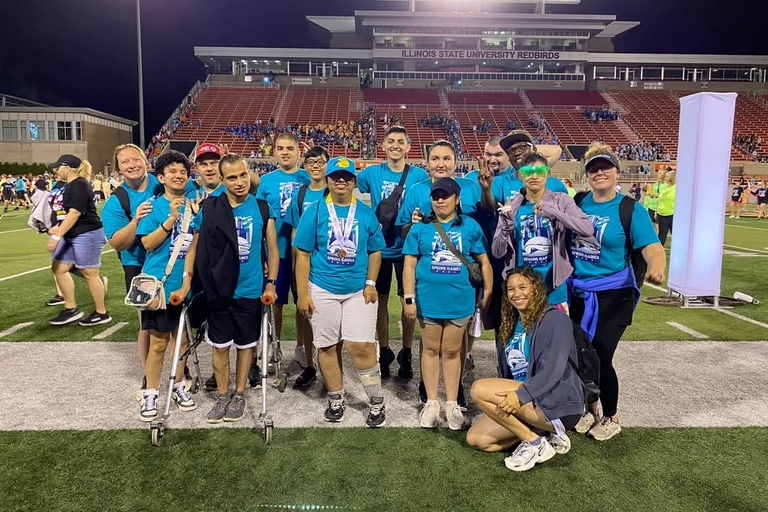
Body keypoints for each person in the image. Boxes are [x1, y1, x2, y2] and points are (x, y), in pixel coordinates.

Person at [568, 143, 666, 441]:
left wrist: (657, 266)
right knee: (579, 354)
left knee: (600, 355)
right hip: (578, 292)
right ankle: (589, 407)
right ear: (586, 175)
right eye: (593, 168)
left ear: (616, 172)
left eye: (605, 167)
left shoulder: (629, 208)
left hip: (613, 293)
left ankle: (611, 415)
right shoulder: (579, 201)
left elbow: (652, 246)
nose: (599, 173)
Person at [182, 154, 279, 423]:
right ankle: (223, 396)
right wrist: (187, 280)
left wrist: (270, 283)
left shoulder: (261, 208)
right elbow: (194, 247)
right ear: (222, 180)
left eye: (243, 175)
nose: (239, 182)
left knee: (246, 346)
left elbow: (272, 250)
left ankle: (239, 393)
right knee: (220, 346)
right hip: (218, 290)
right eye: (232, 177)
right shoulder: (209, 208)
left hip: (250, 290)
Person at [293, 156, 387, 427]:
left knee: (361, 346)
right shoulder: (315, 210)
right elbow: (303, 255)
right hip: (322, 288)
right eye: (336, 177)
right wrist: (302, 294)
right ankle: (336, 397)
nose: (341, 181)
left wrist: (371, 283)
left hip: (358, 289)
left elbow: (375, 250)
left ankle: (376, 399)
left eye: (347, 177)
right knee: (326, 345)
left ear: (355, 182)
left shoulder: (366, 213)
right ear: (328, 180)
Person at [466, 268, 585, 472]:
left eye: (523, 287)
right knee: (477, 439)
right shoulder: (511, 324)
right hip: (528, 401)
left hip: (557, 402)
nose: (516, 293)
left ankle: (534, 443)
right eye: (511, 289)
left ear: (537, 289)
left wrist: (521, 395)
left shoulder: (556, 320)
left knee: (478, 389)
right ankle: (542, 435)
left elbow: (553, 370)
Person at [402, 178, 492, 430]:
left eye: (445, 195)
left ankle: (452, 402)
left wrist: (489, 290)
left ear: (457, 199)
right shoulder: (420, 228)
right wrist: (409, 297)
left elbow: (483, 261)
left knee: (452, 351)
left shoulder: (470, 226)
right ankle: (431, 402)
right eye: (436, 196)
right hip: (428, 299)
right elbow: (409, 264)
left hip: (459, 299)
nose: (440, 200)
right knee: (430, 349)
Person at [356, 126, 428, 379]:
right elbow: (342, 179)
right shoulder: (372, 173)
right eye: (390, 141)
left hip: (409, 246)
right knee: (380, 303)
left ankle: (407, 351)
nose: (395, 145)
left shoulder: (419, 176)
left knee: (408, 301)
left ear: (408, 147)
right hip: (381, 248)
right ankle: (384, 350)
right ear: (383, 146)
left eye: (400, 141)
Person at [135, 150, 199, 421]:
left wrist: (187, 280)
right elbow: (147, 244)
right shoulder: (153, 205)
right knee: (158, 343)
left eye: (182, 171)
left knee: (182, 341)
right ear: (160, 177)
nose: (178, 175)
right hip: (158, 285)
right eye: (171, 171)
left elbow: (194, 246)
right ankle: (150, 392)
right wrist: (170, 220)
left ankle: (178, 385)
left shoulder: (194, 206)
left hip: (182, 285)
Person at [492, 153, 594, 310]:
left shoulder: (561, 200)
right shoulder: (512, 206)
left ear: (548, 174)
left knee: (556, 333)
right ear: (520, 175)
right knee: (525, 335)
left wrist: (553, 212)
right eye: (527, 172)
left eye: (540, 171)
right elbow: (497, 252)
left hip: (553, 289)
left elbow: (587, 229)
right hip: (522, 291)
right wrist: (506, 225)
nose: (534, 176)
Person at [254, 132, 310, 380]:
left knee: (303, 303)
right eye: (280, 148)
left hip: (304, 253)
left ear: (299, 151)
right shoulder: (266, 181)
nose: (285, 152)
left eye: (290, 148)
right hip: (275, 253)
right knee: (274, 301)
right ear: (274, 152)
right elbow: (258, 219)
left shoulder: (309, 178)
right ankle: (273, 347)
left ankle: (302, 347)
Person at [46, 155, 111, 327]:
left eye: (58, 167)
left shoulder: (79, 184)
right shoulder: (71, 185)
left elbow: (75, 213)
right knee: (58, 267)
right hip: (75, 233)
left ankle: (101, 312)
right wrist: (57, 227)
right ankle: (70, 308)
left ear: (67, 167)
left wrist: (57, 235)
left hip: (88, 232)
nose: (55, 171)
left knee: (90, 273)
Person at [284, 146, 330, 388]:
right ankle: (309, 362)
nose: (315, 165)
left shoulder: (335, 190)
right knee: (305, 310)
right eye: (310, 161)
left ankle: (328, 366)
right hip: (305, 263)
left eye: (320, 161)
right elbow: (294, 231)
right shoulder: (300, 195)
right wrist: (295, 263)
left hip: (329, 264)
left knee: (330, 316)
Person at [656, 171, 676, 247]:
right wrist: (656, 211)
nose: (665, 178)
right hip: (661, 214)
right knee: (661, 237)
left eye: (667, 177)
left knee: (675, 235)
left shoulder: (676, 188)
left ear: (671, 178)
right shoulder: (664, 187)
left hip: (672, 214)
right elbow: (659, 198)